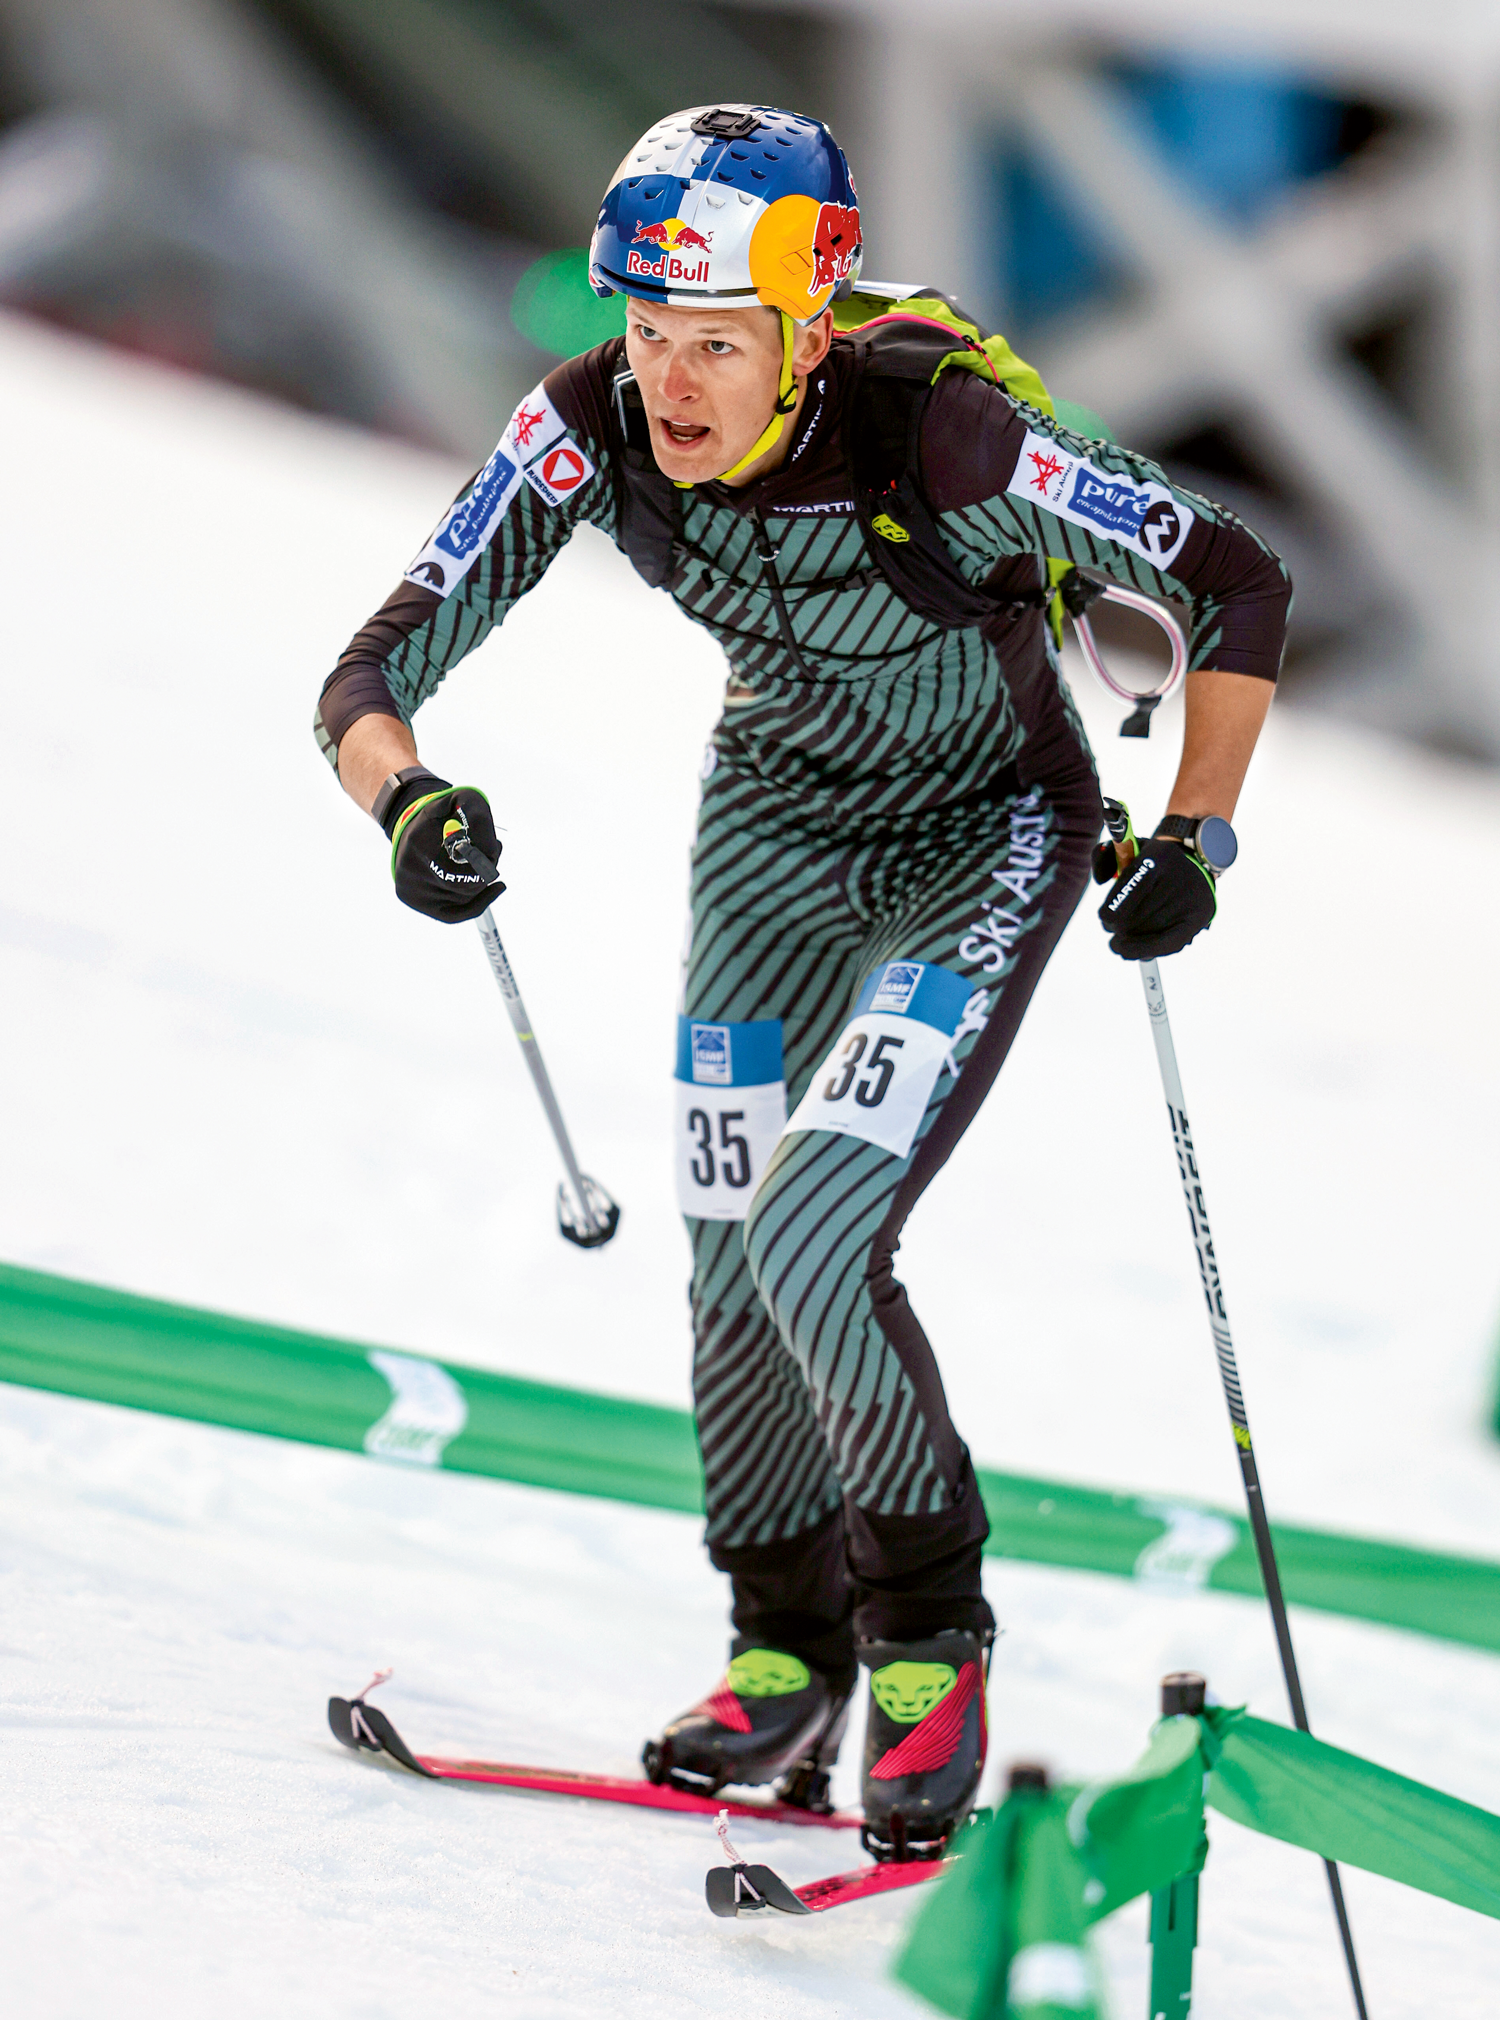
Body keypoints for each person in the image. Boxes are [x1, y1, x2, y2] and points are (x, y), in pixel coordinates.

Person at [315, 103, 1287, 1862]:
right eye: (651, 334)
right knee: (718, 1245)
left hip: (980, 833)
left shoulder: (951, 429)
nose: (671, 385)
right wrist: (411, 805)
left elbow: (1233, 577)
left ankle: (927, 1642)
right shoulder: (589, 423)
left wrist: (1195, 835)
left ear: (807, 326)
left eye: (717, 345)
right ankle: (782, 1648)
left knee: (815, 1229)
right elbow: (372, 671)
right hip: (766, 830)